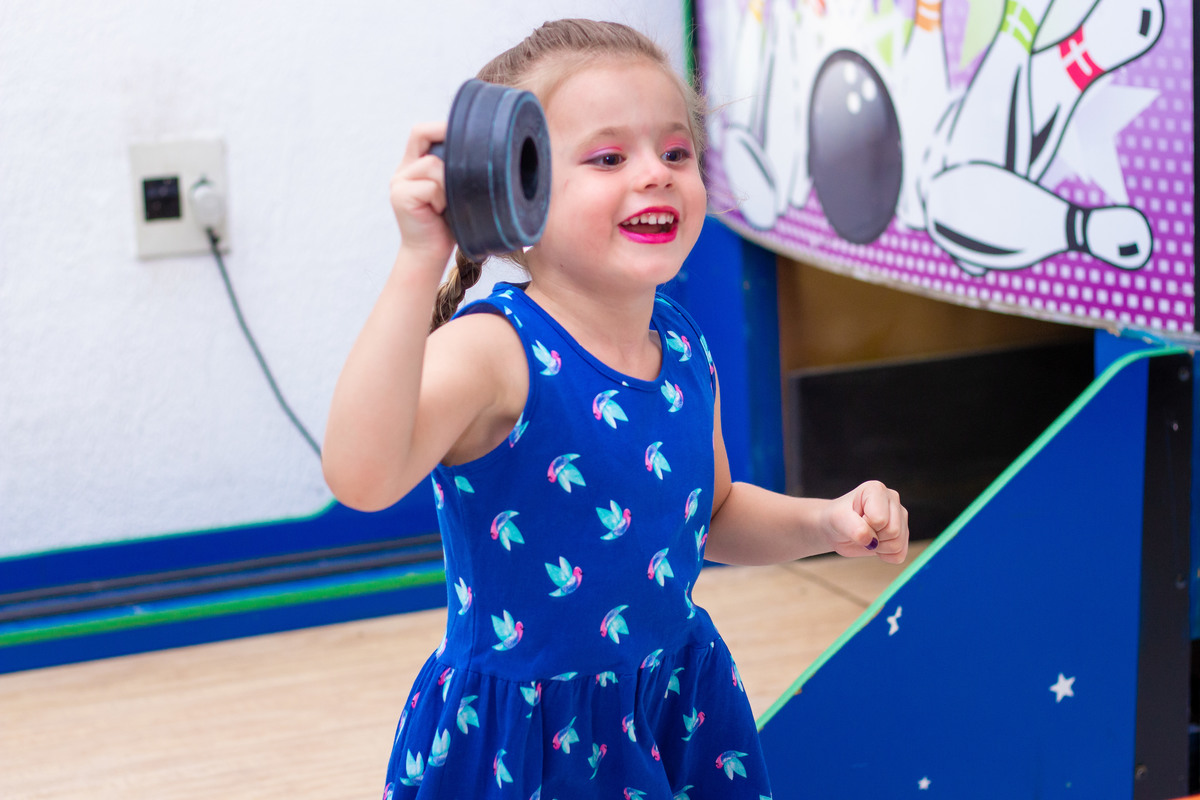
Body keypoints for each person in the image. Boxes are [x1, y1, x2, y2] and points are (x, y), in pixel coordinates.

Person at [323, 18, 909, 799]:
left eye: (676, 152)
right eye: (608, 158)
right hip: (526, 744)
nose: (656, 174)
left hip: (671, 707)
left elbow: (712, 515)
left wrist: (824, 523)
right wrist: (416, 259)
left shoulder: (683, 342)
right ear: (516, 194)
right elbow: (361, 478)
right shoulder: (494, 351)